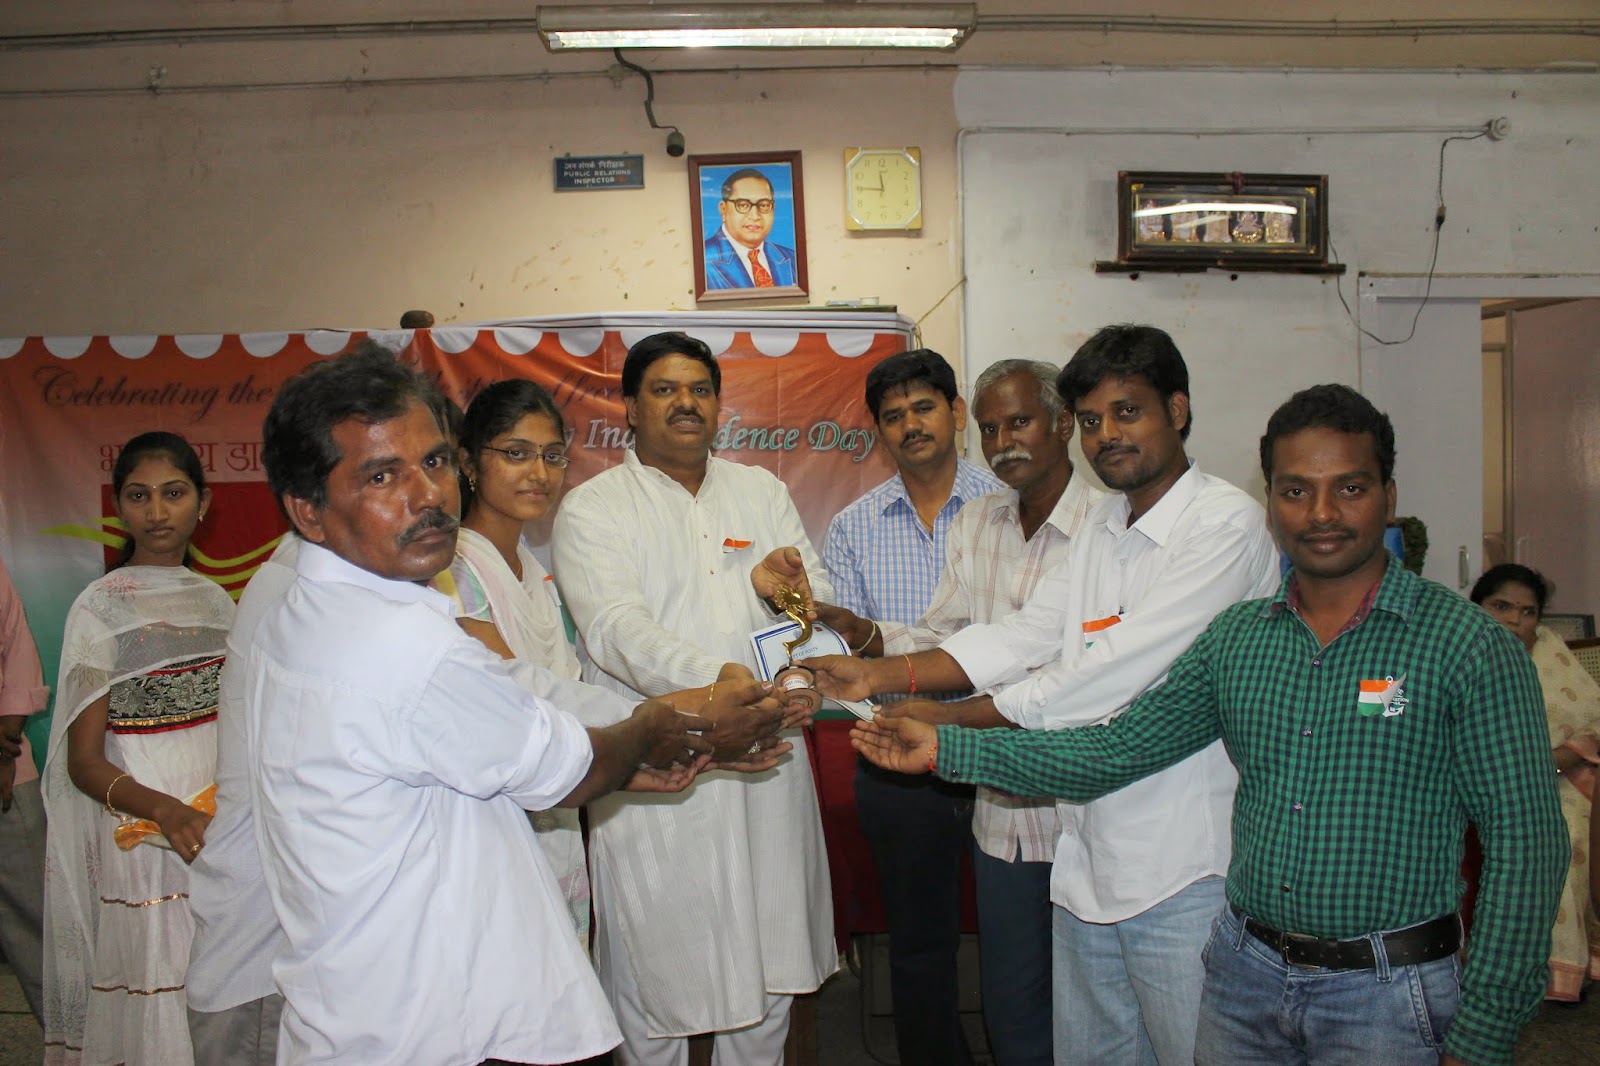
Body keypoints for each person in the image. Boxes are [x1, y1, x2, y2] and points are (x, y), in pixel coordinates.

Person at [851, 383, 1570, 1066]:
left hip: (1387, 993)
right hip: (1245, 983)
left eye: (1349, 488)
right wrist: (947, 748)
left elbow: (1527, 846)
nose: (1321, 513)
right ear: (1271, 500)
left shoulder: (1466, 646)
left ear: (1388, 495)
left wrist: (1486, 1029)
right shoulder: (1239, 641)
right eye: (1295, 491)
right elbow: (1115, 750)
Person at [234, 343, 776, 1065]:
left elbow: (521, 707)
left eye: (433, 462)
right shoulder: (395, 642)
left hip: (374, 1002)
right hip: (429, 1024)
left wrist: (647, 745)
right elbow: (564, 765)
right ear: (307, 509)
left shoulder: (315, 607)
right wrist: (663, 724)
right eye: (382, 475)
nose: (427, 495)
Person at [810, 324, 1280, 1065]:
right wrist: (878, 676)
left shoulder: (1224, 524)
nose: (1107, 435)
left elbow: (1108, 673)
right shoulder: (1107, 527)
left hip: (1183, 866)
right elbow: (1022, 635)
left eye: (1128, 412)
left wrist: (953, 722)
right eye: (1093, 419)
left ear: (1178, 410)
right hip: (1086, 852)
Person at [551, 331, 836, 1065]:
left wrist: (796, 667)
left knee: (768, 968)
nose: (686, 403)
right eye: (665, 389)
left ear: (718, 404)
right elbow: (616, 631)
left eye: (700, 389)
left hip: (767, 756)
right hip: (660, 764)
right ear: (629, 407)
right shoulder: (592, 509)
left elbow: (808, 605)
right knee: (656, 975)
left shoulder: (761, 492)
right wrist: (724, 683)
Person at [817, 349, 1012, 1066]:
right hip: (897, 753)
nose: (911, 425)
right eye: (893, 415)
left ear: (956, 413)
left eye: (924, 407)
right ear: (878, 432)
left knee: (1020, 928)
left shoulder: (1008, 507)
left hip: (1004, 745)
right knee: (919, 940)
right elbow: (859, 649)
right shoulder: (853, 527)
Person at [43, 431, 234, 1066]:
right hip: (144, 830)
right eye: (139, 496)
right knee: (158, 984)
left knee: (217, 988)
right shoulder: (99, 609)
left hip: (214, 826)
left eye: (173, 494)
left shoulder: (217, 604)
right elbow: (83, 763)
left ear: (203, 503)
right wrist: (165, 812)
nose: (157, 512)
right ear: (118, 508)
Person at [1470, 563, 1600, 1002]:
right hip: (1475, 785)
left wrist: (1547, 764)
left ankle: (1557, 969)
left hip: (1556, 780)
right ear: (1477, 607)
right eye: (1501, 606)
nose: (1515, 620)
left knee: (1567, 831)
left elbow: (1590, 723)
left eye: (1528, 612)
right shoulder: (1460, 649)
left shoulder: (1550, 651)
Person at [0, 552, 49, 1026]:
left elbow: (16, 648)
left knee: (40, 923)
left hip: (7, 768)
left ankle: (70, 1047)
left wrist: (6, 747)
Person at [703, 168, 798, 290]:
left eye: (764, 205)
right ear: (723, 210)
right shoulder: (703, 261)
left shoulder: (792, 258)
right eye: (743, 205)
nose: (755, 216)